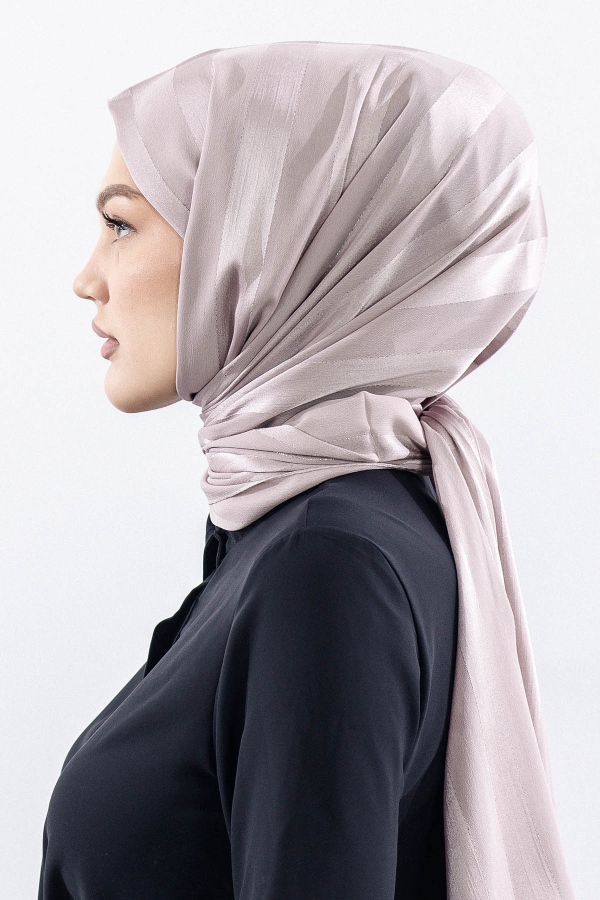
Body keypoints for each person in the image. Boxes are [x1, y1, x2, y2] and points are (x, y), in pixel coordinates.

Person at [38, 41, 576, 900]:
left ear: (268, 242)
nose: (86, 278)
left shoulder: (325, 567)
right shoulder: (324, 526)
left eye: (121, 224)